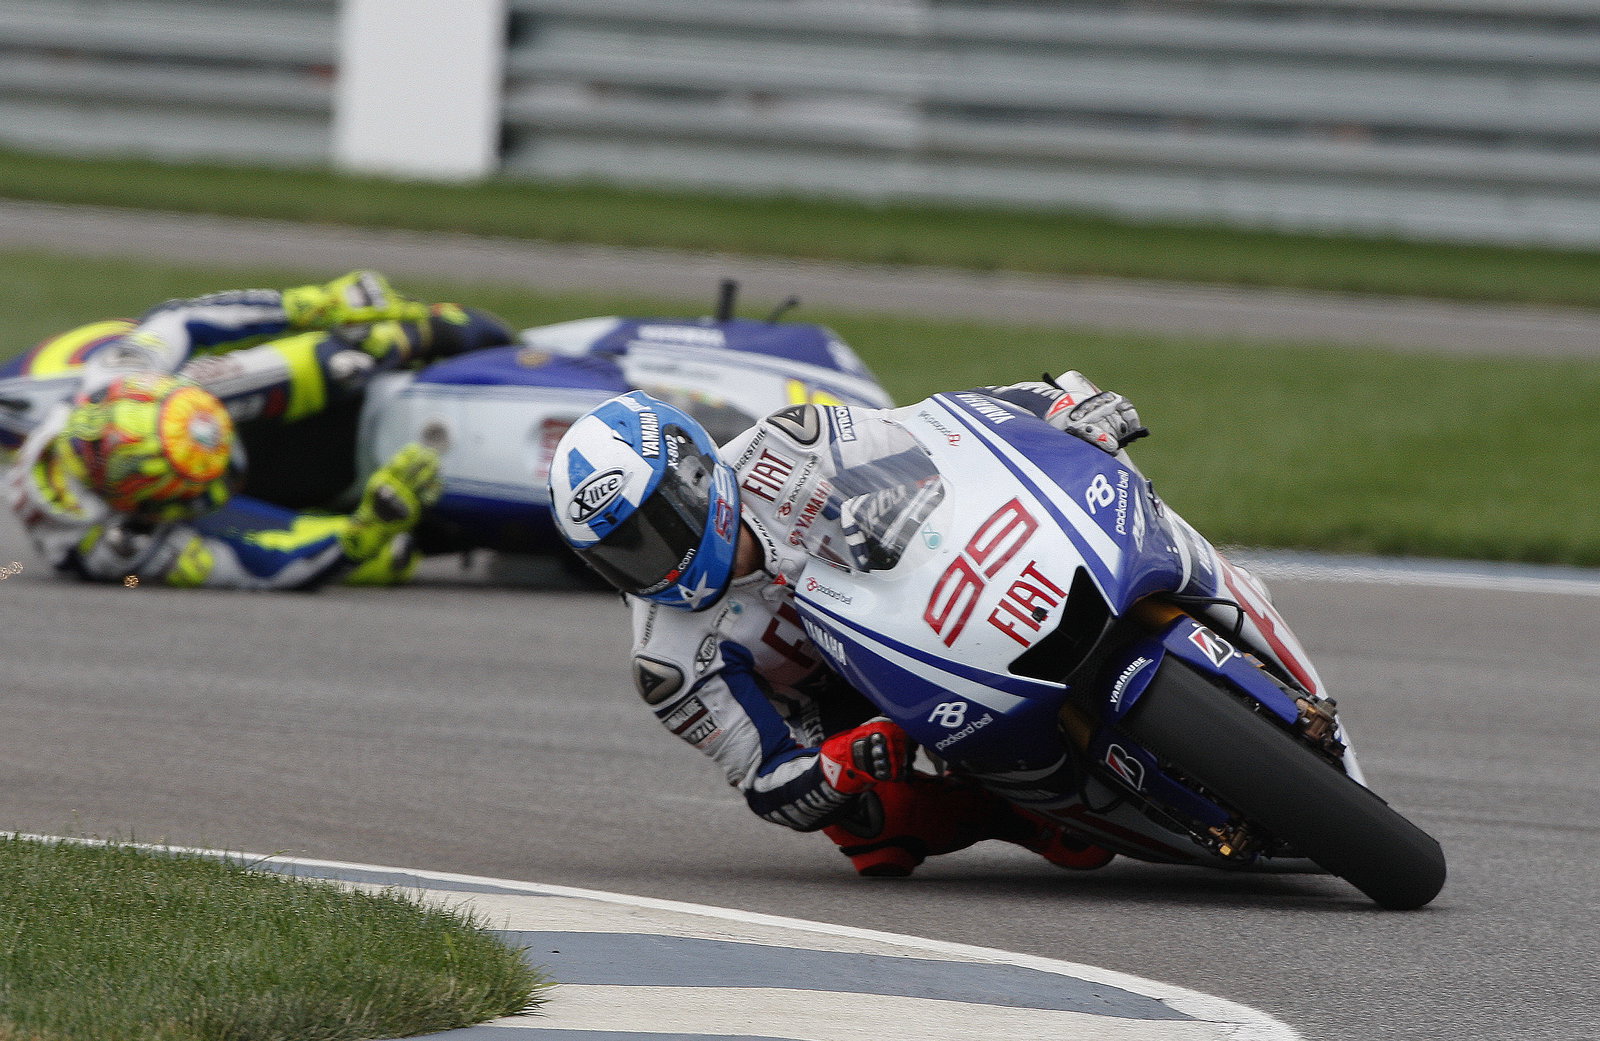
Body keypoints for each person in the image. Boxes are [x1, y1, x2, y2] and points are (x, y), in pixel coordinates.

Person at [545, 372, 1147, 876]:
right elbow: (764, 778)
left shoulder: (788, 445)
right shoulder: (668, 661)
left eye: (655, 529)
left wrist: (1056, 405)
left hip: (949, 575)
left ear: (697, 479)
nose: (650, 563)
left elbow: (944, 428)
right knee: (874, 832)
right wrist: (846, 761)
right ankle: (1024, 814)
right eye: (621, 554)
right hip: (856, 701)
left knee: (1097, 489)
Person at [4, 271, 510, 589]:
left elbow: (186, 318)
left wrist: (309, 305)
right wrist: (367, 531)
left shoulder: (118, 375)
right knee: (390, 557)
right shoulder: (121, 548)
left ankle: (458, 340)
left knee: (357, 351)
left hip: (166, 423)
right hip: (176, 505)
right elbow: (262, 567)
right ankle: (442, 530)